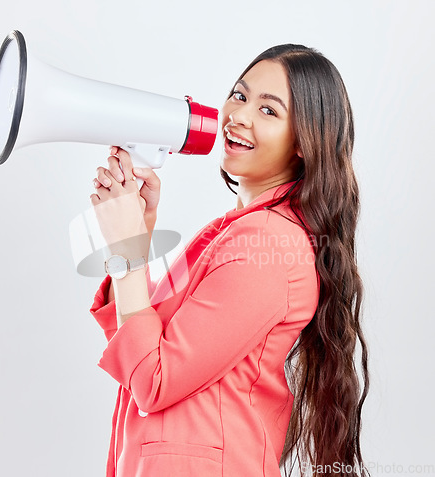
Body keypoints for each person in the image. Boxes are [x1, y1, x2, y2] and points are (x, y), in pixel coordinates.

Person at [89, 44, 370, 477]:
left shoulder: (267, 246)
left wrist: (127, 253)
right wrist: (137, 242)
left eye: (269, 111)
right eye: (239, 96)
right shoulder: (234, 232)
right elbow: (140, 339)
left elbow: (153, 379)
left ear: (303, 142)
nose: (239, 116)